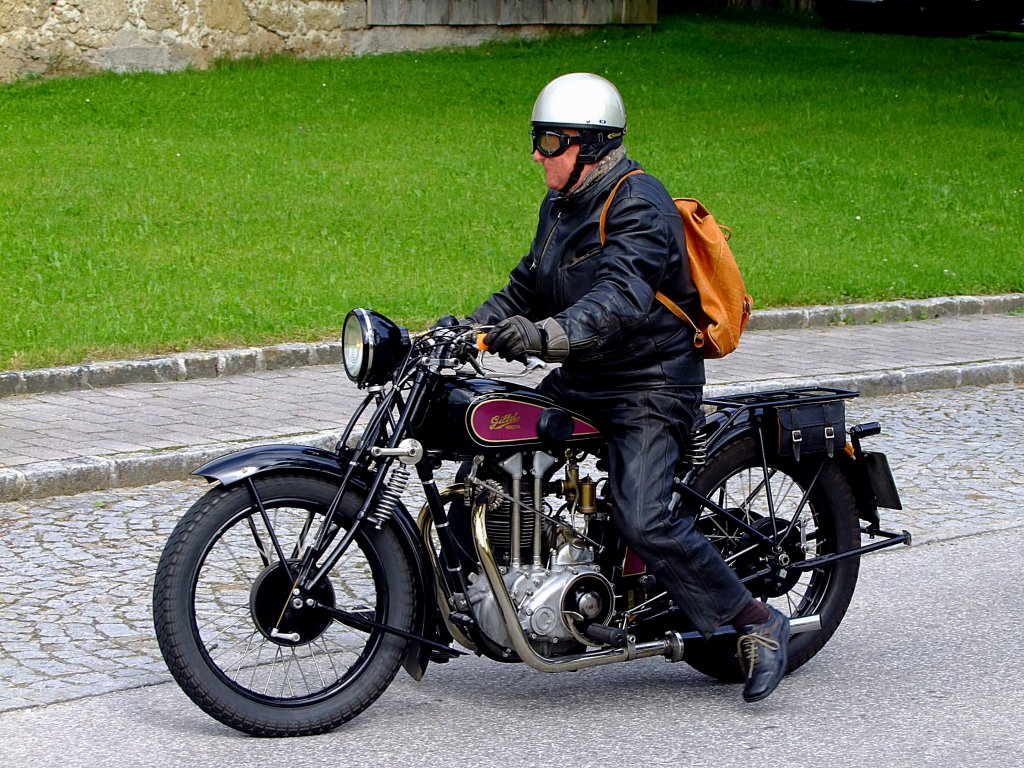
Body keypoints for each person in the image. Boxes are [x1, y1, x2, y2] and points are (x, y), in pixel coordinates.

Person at [470, 72, 790, 702]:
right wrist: (467, 328)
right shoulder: (560, 205)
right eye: (536, 139)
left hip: (649, 384)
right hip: (586, 377)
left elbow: (619, 299)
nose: (537, 154)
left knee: (644, 517)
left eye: (549, 141)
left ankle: (758, 622)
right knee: (496, 438)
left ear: (589, 144)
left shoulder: (639, 202)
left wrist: (542, 338)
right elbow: (527, 286)